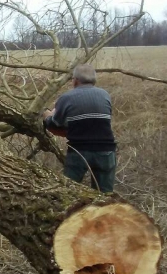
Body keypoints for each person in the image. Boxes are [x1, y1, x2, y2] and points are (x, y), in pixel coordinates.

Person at [43, 64, 117, 193]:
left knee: (68, 191)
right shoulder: (105, 95)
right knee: (105, 194)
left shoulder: (66, 97)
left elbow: (55, 124)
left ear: (75, 80)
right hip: (107, 150)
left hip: (79, 151)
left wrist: (47, 115)